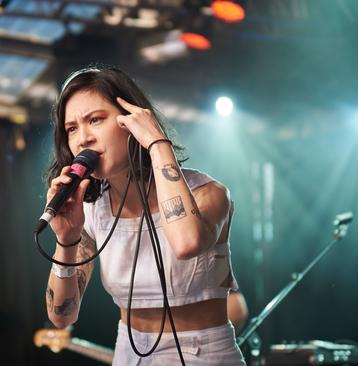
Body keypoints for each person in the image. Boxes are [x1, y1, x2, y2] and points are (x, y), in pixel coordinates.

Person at [43, 66, 246, 365]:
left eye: (95, 120)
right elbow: (61, 315)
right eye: (72, 128)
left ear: (133, 120)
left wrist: (156, 143)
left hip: (203, 354)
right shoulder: (91, 210)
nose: (82, 139)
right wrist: (66, 240)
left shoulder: (208, 194)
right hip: (129, 353)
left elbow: (186, 242)